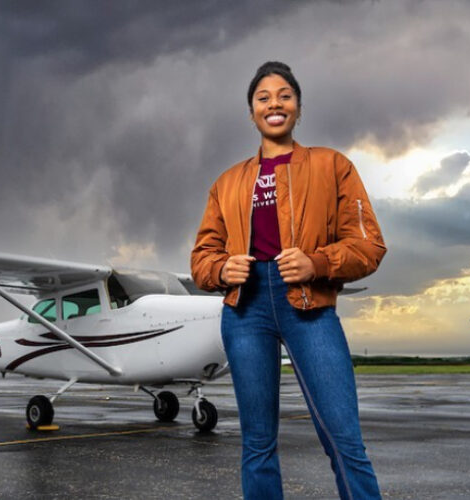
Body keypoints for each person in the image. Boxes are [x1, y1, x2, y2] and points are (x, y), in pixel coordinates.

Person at [190, 61, 386, 500]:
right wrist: (222, 269)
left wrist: (316, 263)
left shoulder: (332, 165)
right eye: (263, 98)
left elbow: (370, 245)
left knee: (344, 438)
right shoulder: (227, 182)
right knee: (257, 444)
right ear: (251, 112)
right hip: (245, 310)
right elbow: (202, 257)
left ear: (298, 107)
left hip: (310, 306)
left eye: (284, 96)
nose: (274, 104)